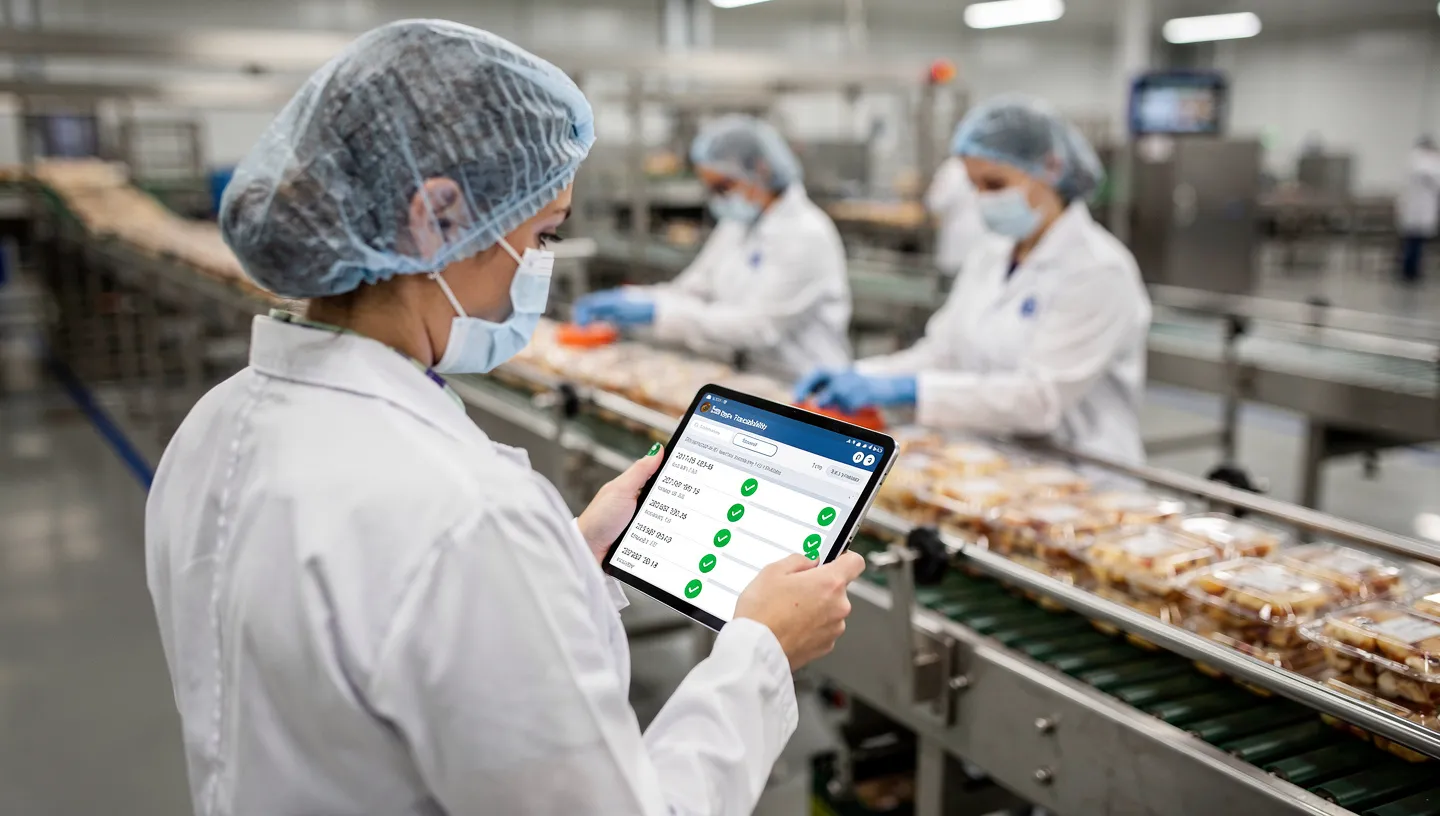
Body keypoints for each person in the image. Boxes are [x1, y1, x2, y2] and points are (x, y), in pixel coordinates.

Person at [145, 21, 864, 816]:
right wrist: (761, 651)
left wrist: (571, 549)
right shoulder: (466, 513)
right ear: (439, 217)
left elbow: (395, 649)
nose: (542, 266)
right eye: (543, 231)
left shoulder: (216, 425)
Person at [796, 96, 1152, 465]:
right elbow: (943, 352)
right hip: (990, 461)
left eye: (995, 184)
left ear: (1051, 168)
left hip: (1081, 474)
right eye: (974, 185)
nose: (981, 199)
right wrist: (862, 375)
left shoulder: (1098, 270)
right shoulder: (990, 254)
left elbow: (1039, 400)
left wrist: (911, 391)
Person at [572, 115, 852, 377]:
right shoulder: (736, 226)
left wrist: (656, 313)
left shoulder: (806, 234)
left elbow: (758, 326)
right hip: (750, 378)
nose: (718, 198)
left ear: (761, 169)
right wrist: (634, 300)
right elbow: (693, 290)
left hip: (800, 384)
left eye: (723, 186)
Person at [925, 152, 989, 277]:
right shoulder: (998, 165)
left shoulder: (953, 168)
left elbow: (935, 203)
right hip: (986, 253)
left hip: (956, 252)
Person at [1397, 135, 1440, 285]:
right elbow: (1434, 179)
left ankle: (1411, 271)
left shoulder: (1418, 160)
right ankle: (1409, 272)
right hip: (1417, 210)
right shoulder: (1421, 161)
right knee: (1413, 243)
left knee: (1416, 243)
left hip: (1418, 210)